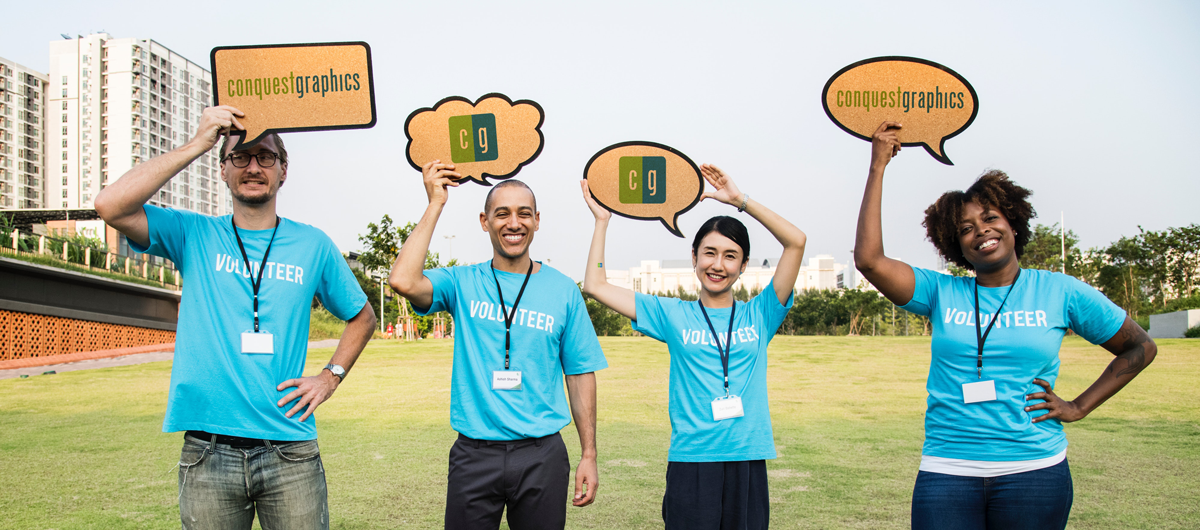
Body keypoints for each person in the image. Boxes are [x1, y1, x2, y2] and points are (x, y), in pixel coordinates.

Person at [853, 121, 1157, 529]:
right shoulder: (942, 292)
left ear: (1012, 223)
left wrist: (1078, 406)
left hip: (1034, 470)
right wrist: (877, 167)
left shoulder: (1059, 291)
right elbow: (869, 260)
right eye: (965, 228)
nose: (981, 231)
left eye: (990, 218)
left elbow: (1140, 348)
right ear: (954, 244)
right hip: (948, 469)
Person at [94, 105, 376, 530]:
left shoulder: (313, 244)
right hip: (208, 452)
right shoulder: (194, 233)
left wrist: (330, 375)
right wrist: (197, 143)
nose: (253, 166)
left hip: (289, 450)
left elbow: (363, 316)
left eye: (266, 156)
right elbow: (110, 205)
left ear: (284, 170)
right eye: (238, 156)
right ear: (223, 170)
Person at [580, 164, 806, 530]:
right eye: (709, 253)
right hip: (692, 460)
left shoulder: (760, 314)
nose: (718, 265)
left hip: (746, 460)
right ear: (694, 257)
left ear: (744, 265)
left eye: (730, 256)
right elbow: (595, 284)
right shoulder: (673, 314)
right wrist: (602, 221)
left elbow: (796, 241)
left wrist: (741, 201)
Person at [389, 161, 607, 530]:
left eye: (524, 213)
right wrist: (435, 203)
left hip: (542, 454)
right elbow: (403, 280)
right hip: (474, 453)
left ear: (537, 220)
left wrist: (589, 453)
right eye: (501, 213)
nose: (514, 223)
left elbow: (580, 373)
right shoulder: (461, 281)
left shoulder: (563, 290)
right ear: (484, 221)